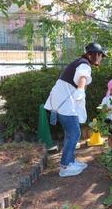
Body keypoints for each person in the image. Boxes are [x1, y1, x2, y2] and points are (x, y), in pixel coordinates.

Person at [44, 42, 107, 177]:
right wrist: (80, 89)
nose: (101, 58)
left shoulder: (80, 61)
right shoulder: (84, 64)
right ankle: (65, 166)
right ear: (95, 54)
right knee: (74, 133)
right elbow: (82, 76)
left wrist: (79, 91)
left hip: (60, 102)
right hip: (65, 105)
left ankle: (70, 161)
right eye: (101, 55)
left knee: (71, 133)